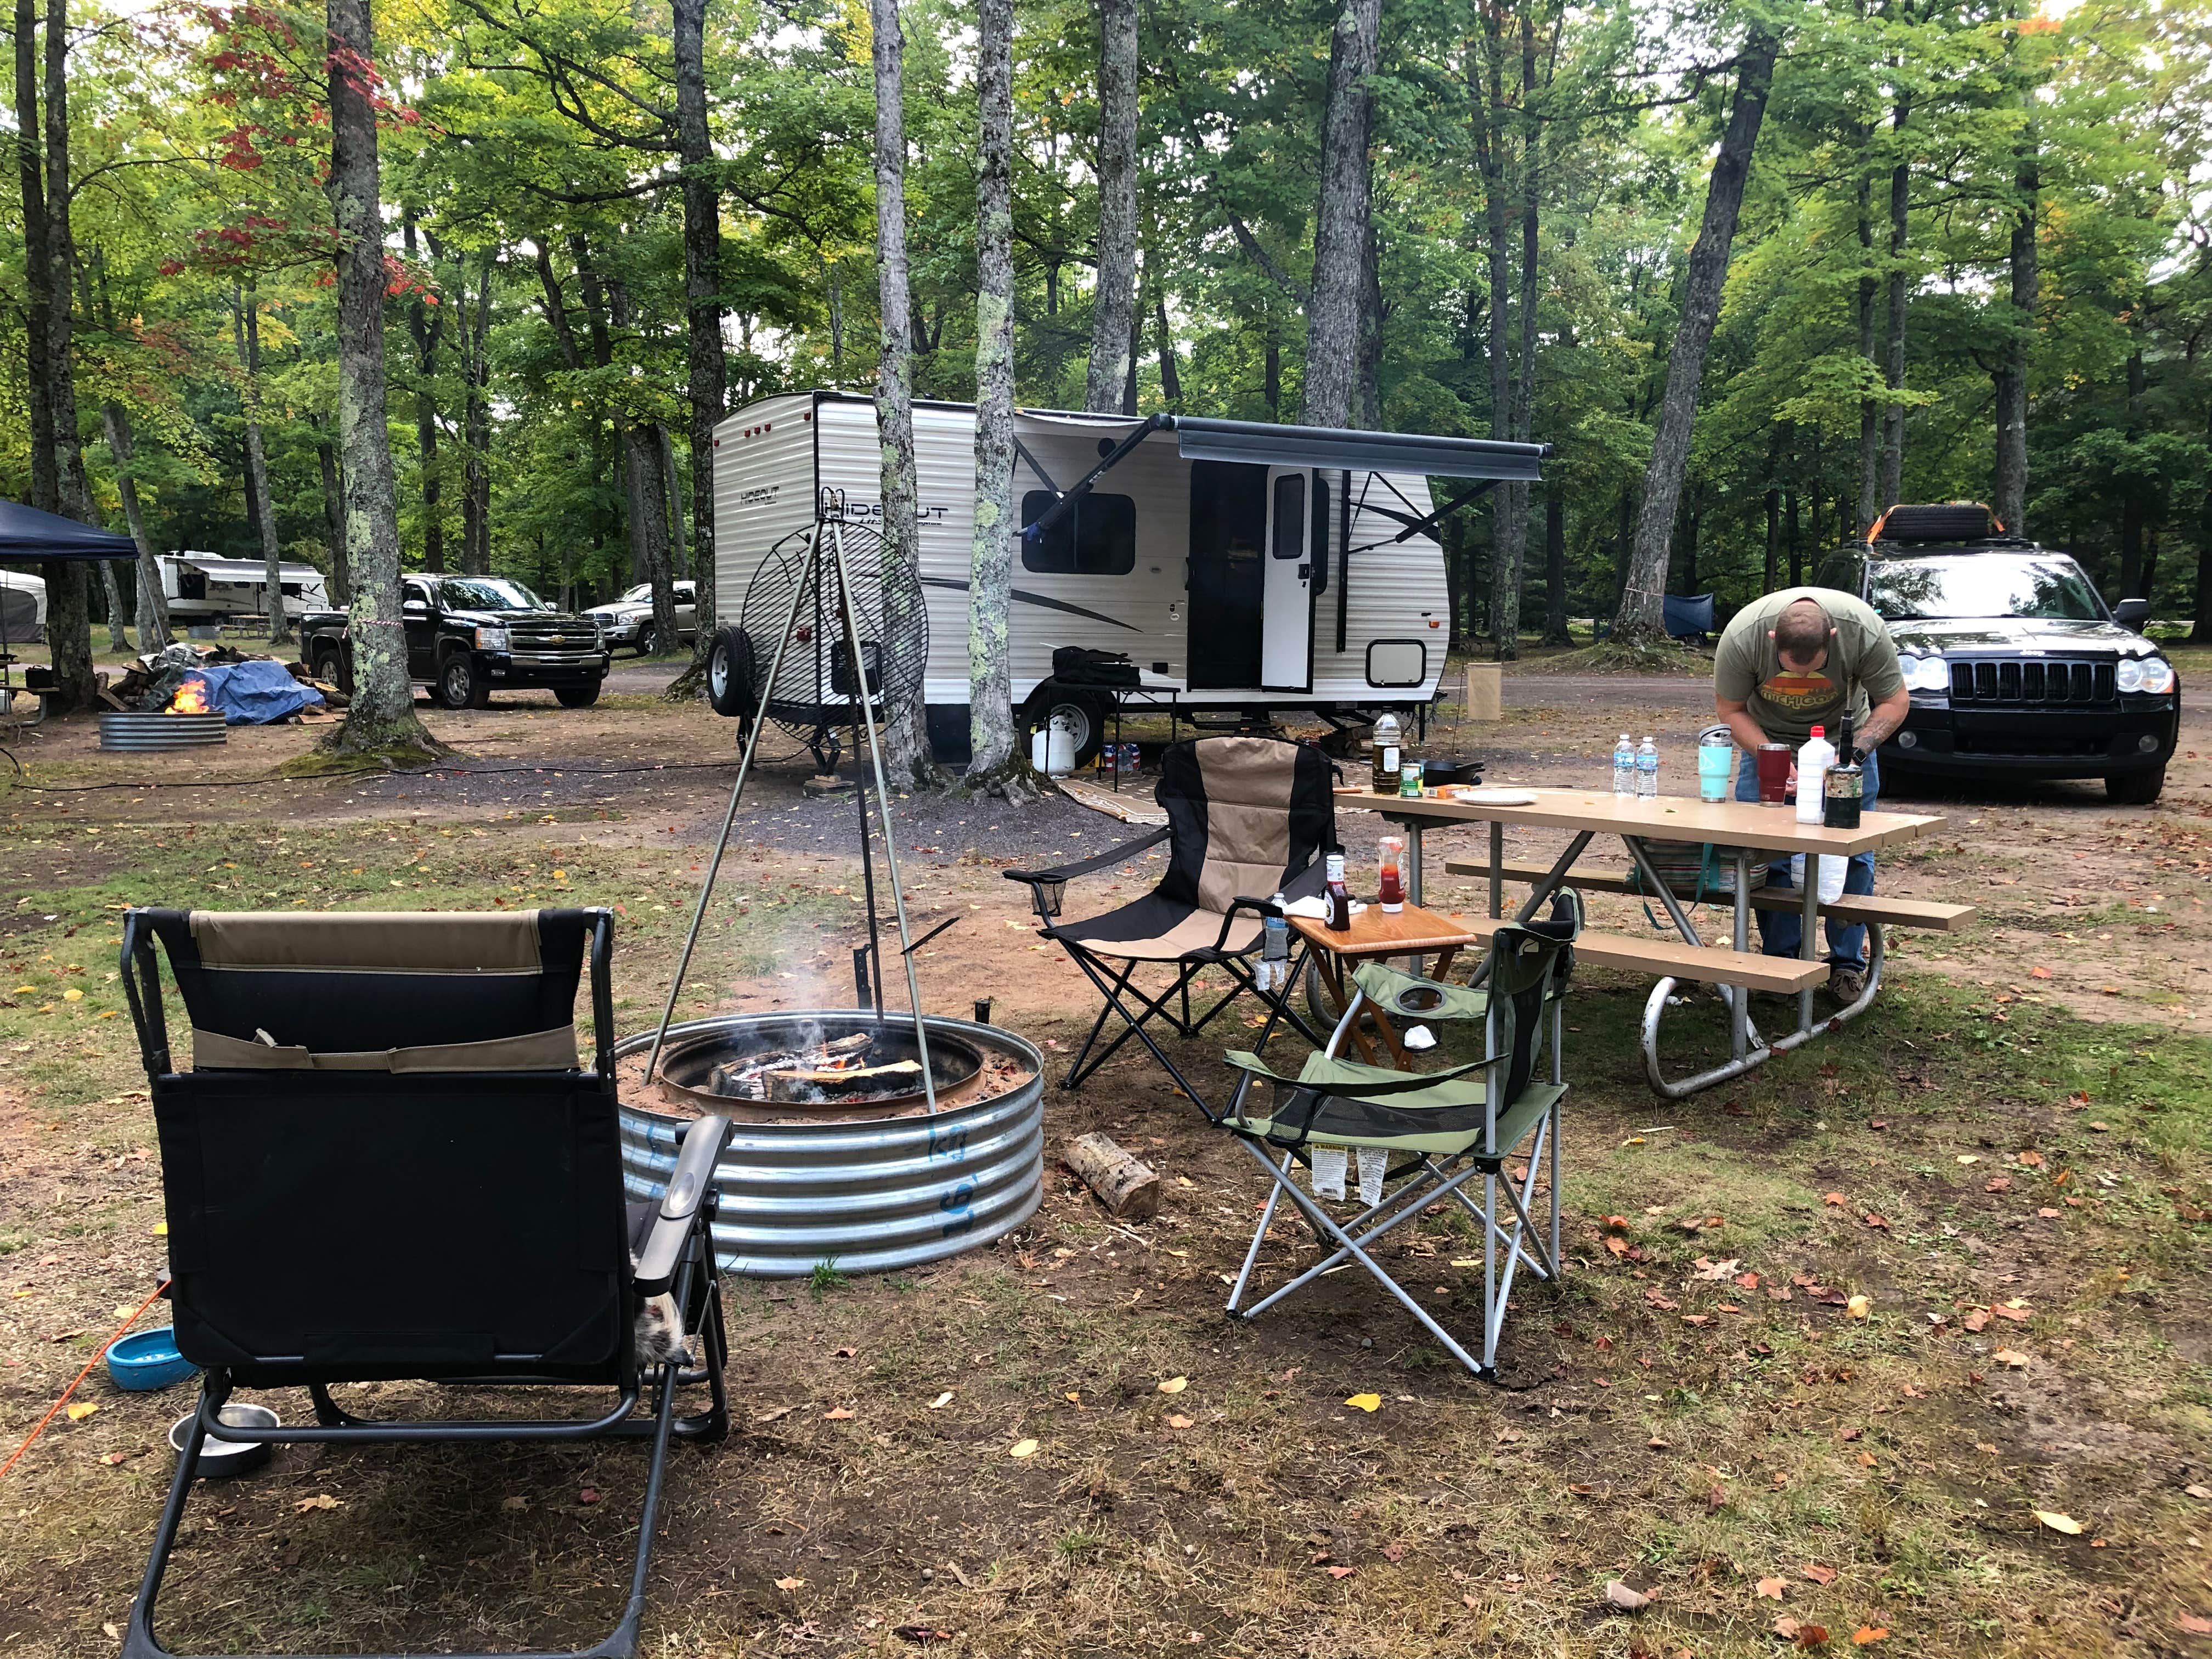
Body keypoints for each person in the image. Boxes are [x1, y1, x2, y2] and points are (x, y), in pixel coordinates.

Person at [1714, 587, 1909, 1003]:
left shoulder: (1863, 631)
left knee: (1852, 853)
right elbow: (1730, 710)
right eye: (1791, 670)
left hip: (1843, 744)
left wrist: (1851, 758)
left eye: (1813, 669)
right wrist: (1771, 756)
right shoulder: (1743, 636)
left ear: (1833, 639)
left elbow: (1894, 702)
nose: (1802, 680)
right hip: (1769, 741)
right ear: (1772, 641)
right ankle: (1783, 965)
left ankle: (1846, 967)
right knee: (1768, 855)